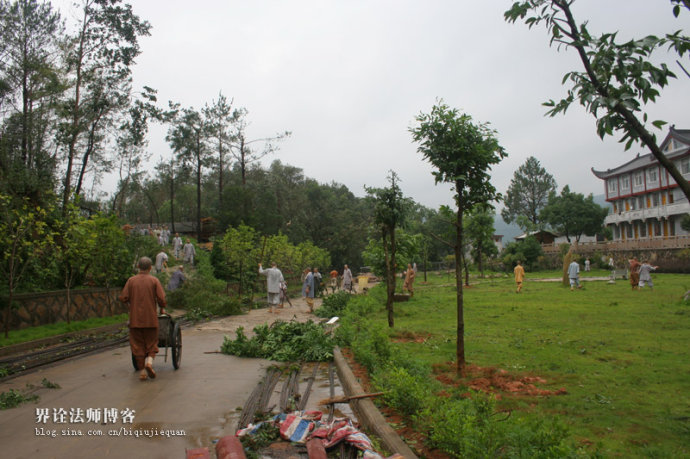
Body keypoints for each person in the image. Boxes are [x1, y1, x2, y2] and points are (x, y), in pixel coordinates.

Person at [118, 257, 167, 381]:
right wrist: (162, 308)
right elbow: (161, 299)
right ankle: (149, 363)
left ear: (138, 267)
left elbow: (123, 297)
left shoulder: (131, 281)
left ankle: (142, 371)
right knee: (151, 344)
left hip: (135, 321)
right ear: (150, 268)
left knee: (137, 345)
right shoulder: (154, 280)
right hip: (151, 319)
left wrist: (131, 303)